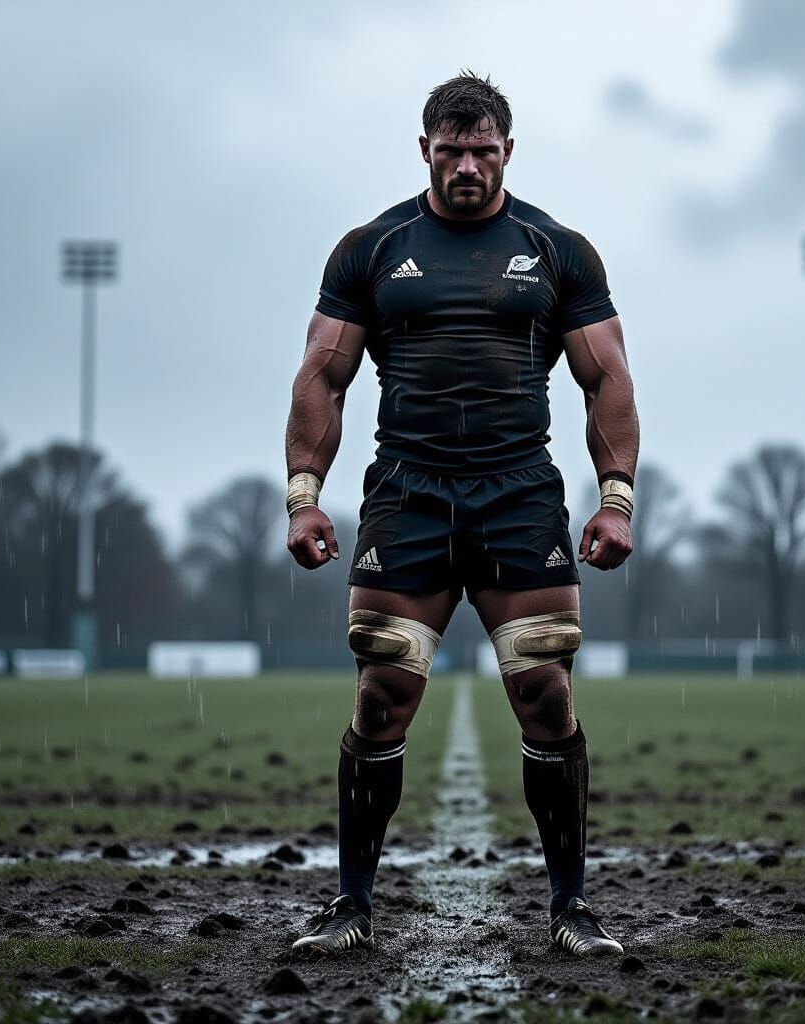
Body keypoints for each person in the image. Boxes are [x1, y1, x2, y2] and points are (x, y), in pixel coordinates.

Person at [284, 71, 639, 958]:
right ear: (425, 151)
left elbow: (607, 379)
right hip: (408, 494)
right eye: (452, 152)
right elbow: (323, 376)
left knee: (545, 694)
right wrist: (302, 496)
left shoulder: (558, 250)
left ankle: (572, 910)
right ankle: (351, 906)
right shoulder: (373, 248)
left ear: (508, 151)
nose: (469, 166)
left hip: (520, 495)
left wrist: (617, 498)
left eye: (484, 151)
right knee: (382, 695)